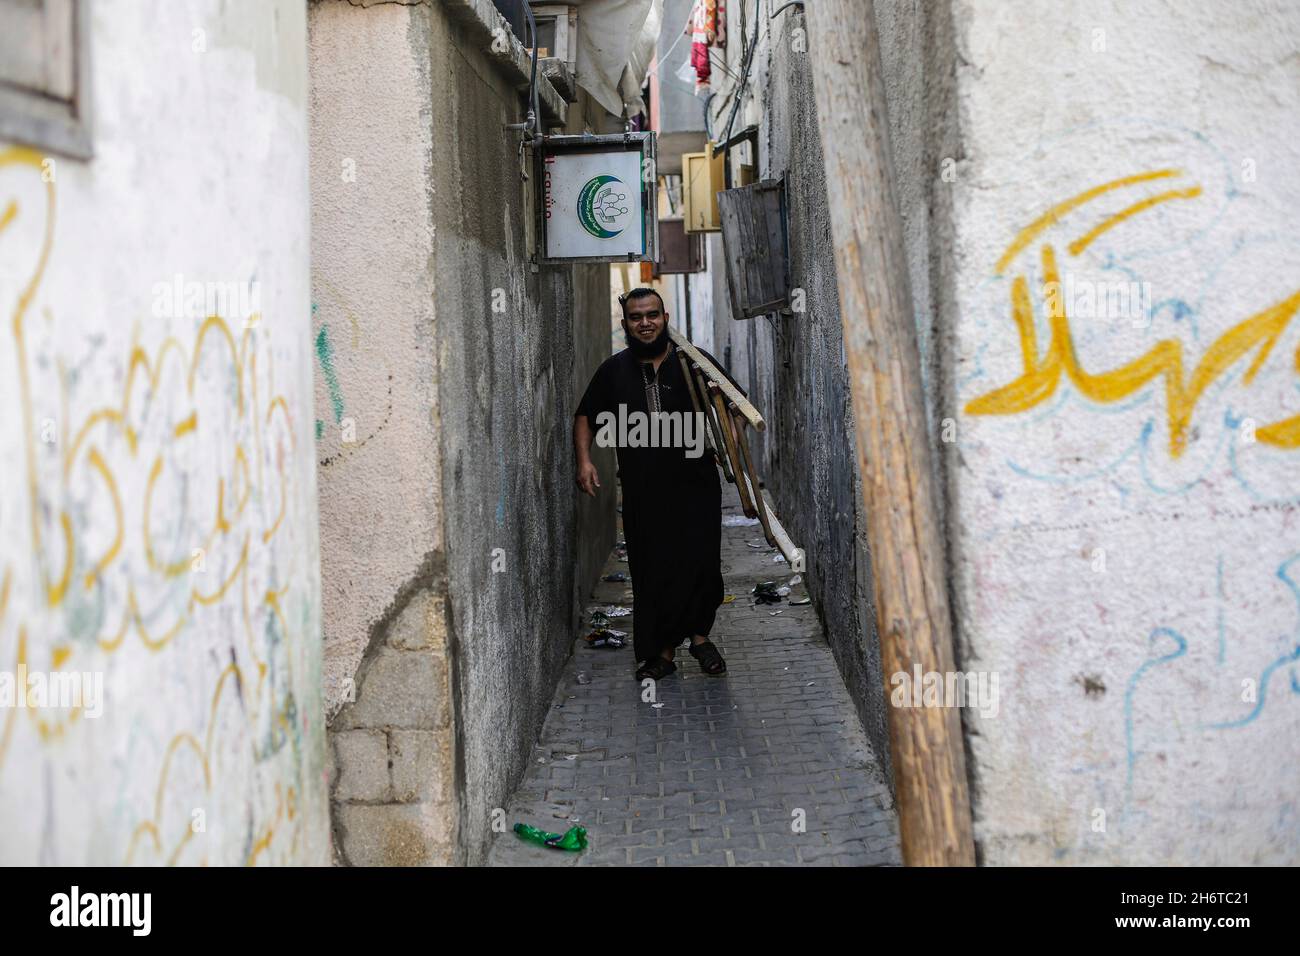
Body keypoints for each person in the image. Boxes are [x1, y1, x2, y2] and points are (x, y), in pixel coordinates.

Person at [573, 287, 747, 681]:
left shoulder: (695, 364)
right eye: (637, 317)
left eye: (652, 314)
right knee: (652, 570)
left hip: (696, 487)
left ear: (665, 318)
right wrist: (584, 461)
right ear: (626, 324)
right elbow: (585, 415)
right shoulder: (613, 371)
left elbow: (736, 404)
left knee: (701, 565)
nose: (645, 323)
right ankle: (662, 653)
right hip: (642, 492)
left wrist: (727, 445)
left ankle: (700, 640)